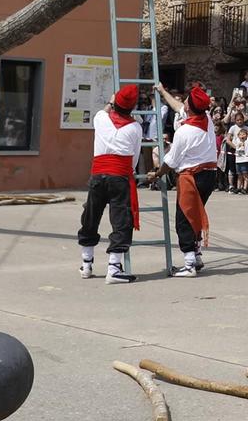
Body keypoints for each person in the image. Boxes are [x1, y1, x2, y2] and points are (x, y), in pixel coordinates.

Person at [77, 85, 144, 284]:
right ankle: (114, 268)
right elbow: (134, 157)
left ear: (114, 103)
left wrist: (111, 101)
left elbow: (106, 110)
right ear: (132, 108)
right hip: (120, 177)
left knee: (90, 216)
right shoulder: (135, 128)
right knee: (121, 220)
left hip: (98, 175)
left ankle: (86, 264)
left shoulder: (100, 118)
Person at [159, 84, 220, 277]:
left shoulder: (184, 132)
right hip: (210, 175)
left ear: (189, 108)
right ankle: (197, 255)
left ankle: (189, 264)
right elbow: (178, 107)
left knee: (184, 218)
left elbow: (171, 161)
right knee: (195, 215)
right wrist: (163, 92)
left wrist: (157, 173)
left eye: (185, 101)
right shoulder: (207, 119)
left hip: (192, 177)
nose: (183, 102)